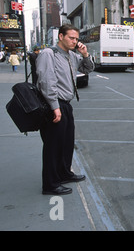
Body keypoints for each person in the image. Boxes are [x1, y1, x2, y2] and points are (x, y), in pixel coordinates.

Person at [36, 24, 94, 195]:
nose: (74, 41)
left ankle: (64, 173)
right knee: (53, 145)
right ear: (61, 36)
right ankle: (50, 184)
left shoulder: (72, 56)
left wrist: (85, 54)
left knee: (66, 143)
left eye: (76, 39)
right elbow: (46, 81)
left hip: (66, 105)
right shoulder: (49, 54)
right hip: (54, 104)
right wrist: (55, 107)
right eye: (71, 38)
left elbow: (88, 69)